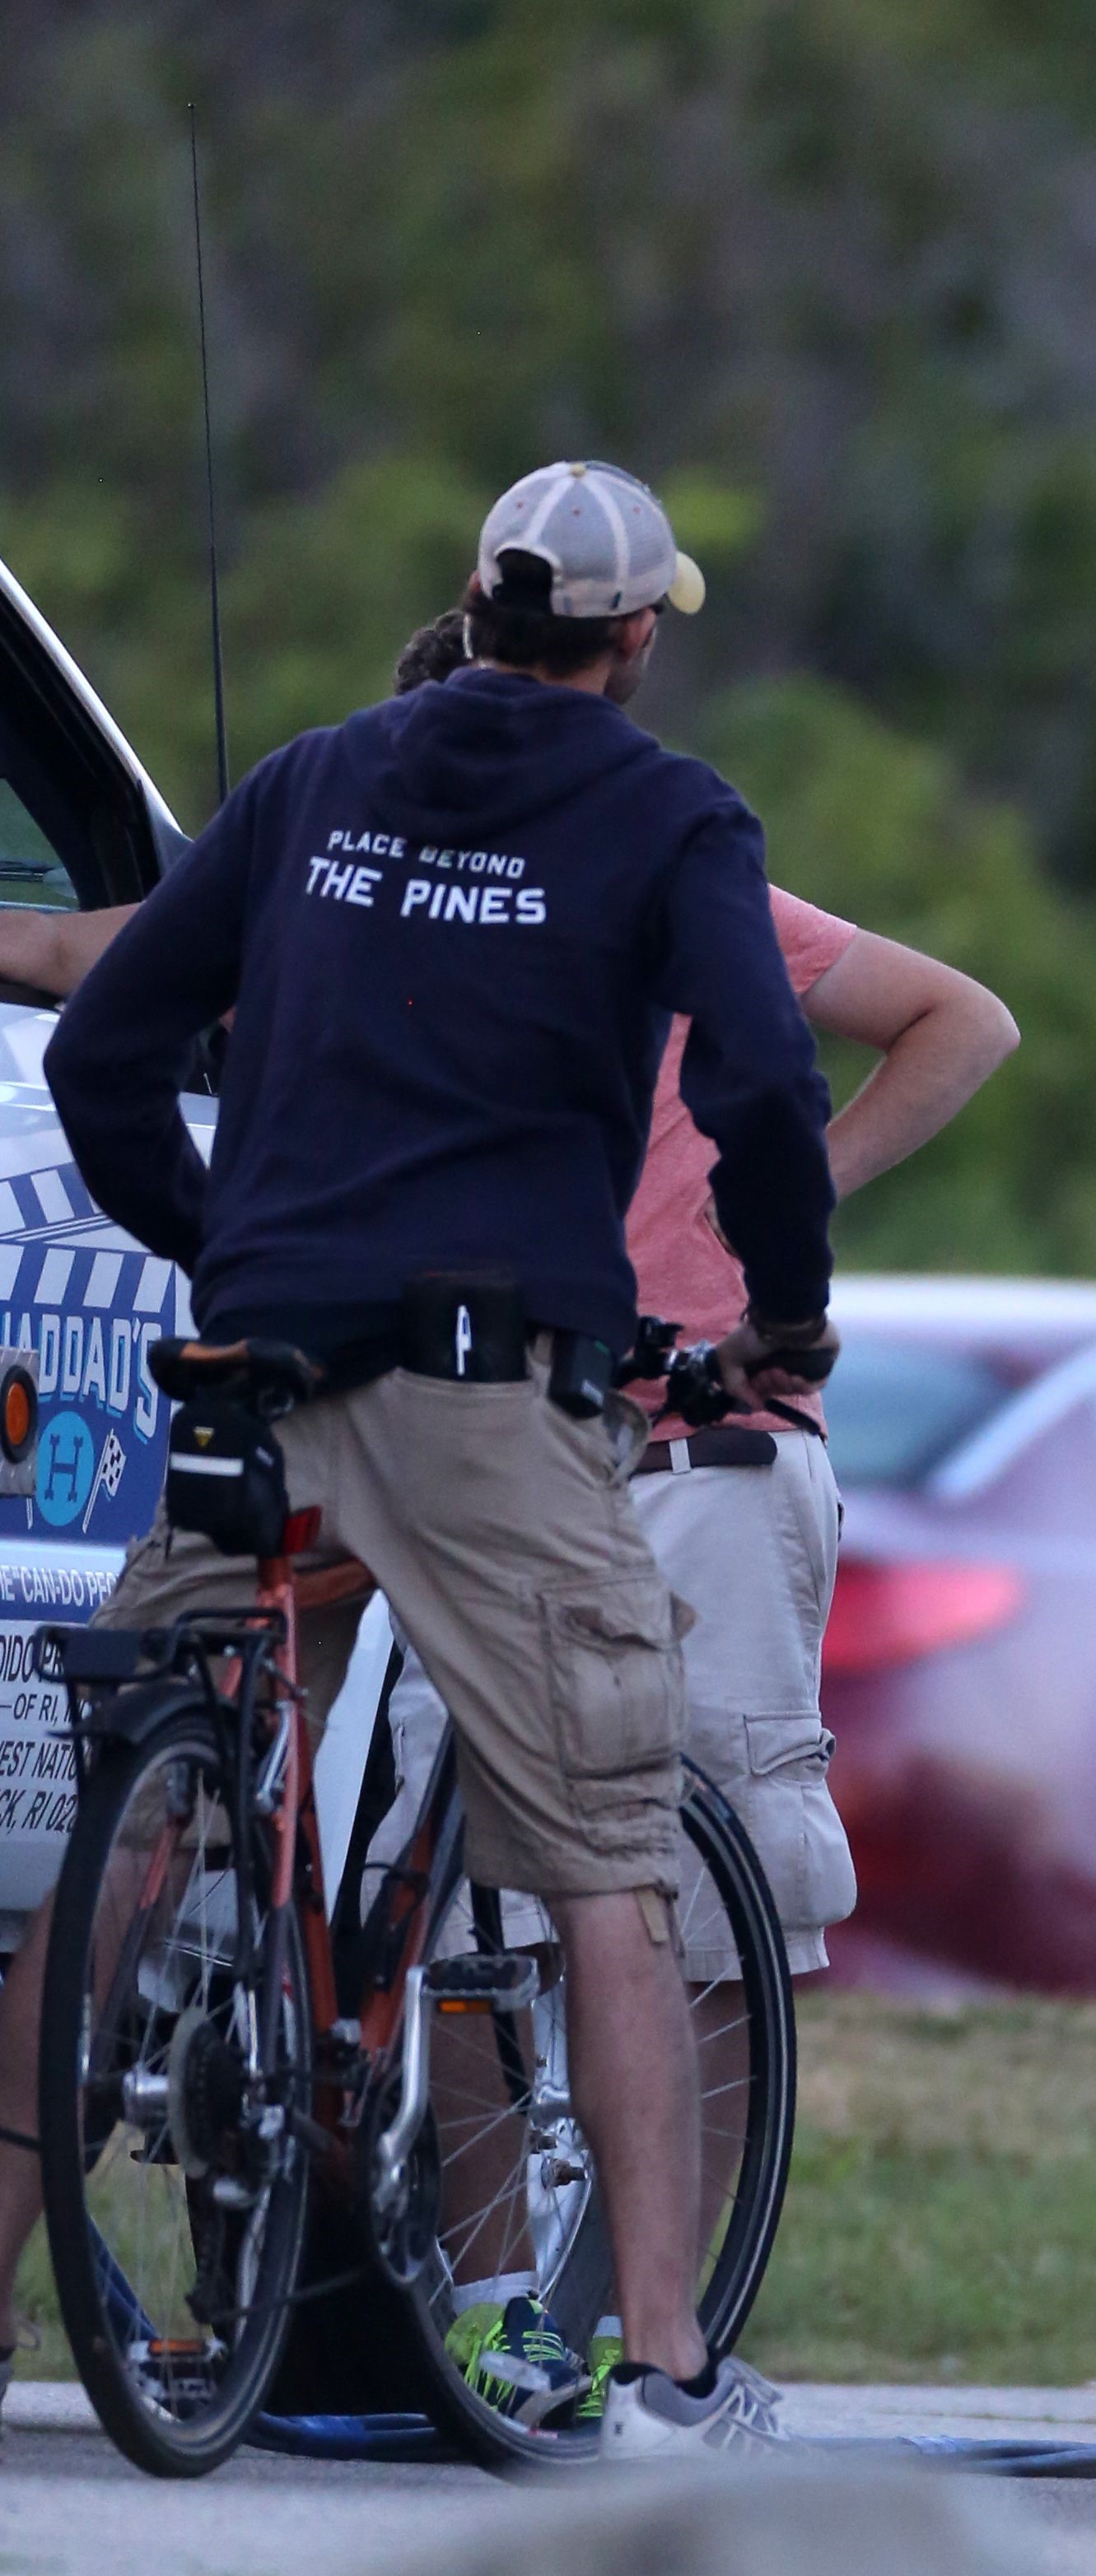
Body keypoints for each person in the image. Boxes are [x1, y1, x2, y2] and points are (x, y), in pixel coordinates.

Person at [0, 458, 841, 2457]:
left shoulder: (307, 785)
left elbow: (107, 1048)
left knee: (136, 1826)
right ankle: (662, 2373)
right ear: (633, 640)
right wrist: (780, 1319)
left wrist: (226, 1238)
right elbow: (766, 1089)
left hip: (259, 1371)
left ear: (474, 599)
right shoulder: (667, 814)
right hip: (490, 1404)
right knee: (610, 1862)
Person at [376, 604, 1017, 2406]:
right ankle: (499, 2324)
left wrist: (781, 1203)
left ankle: (652, 2331)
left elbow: (962, 1023)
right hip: (496, 1444)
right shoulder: (407, 926)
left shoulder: (683, 886)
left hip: (703, 1446)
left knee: (710, 1885)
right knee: (458, 1897)